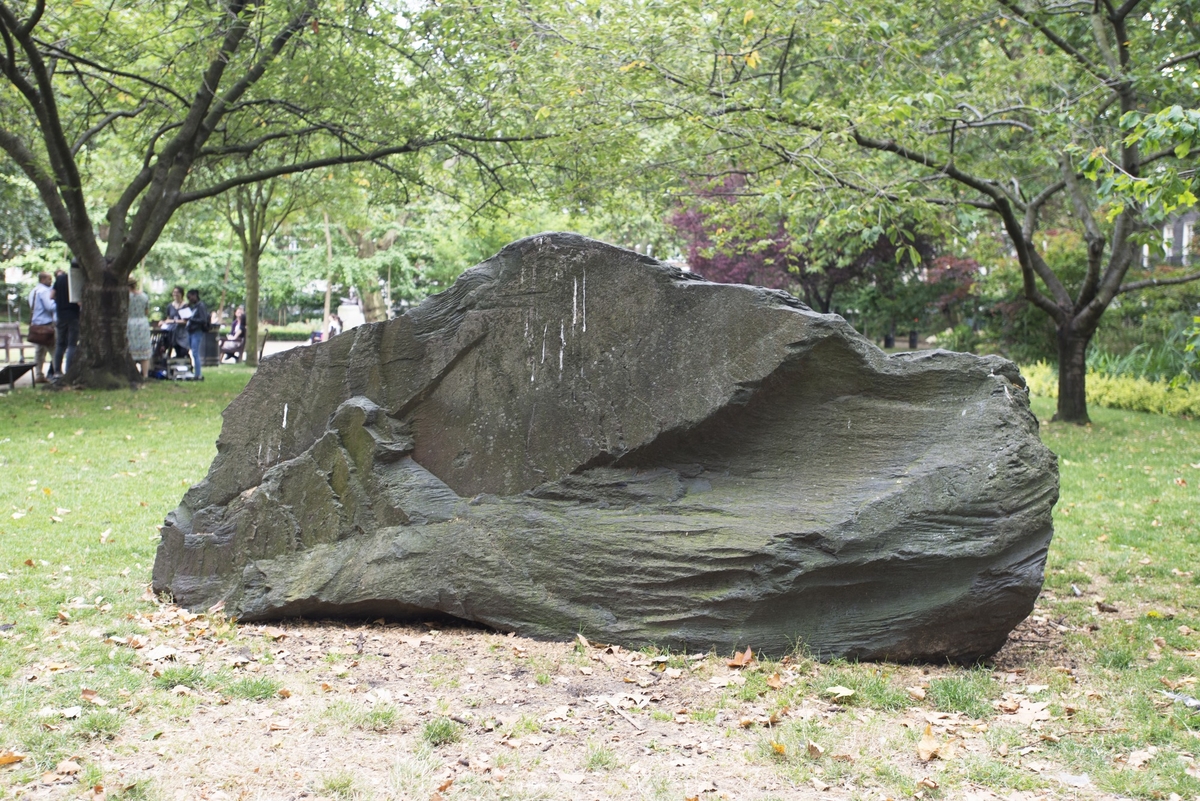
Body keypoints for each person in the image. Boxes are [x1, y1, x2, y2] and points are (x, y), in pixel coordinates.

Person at [26, 271, 55, 384]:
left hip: (36, 324)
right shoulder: (44, 291)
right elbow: (50, 306)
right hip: (46, 324)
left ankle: (39, 373)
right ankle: (57, 372)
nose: (51, 281)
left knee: (39, 351)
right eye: (49, 279)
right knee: (54, 349)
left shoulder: (34, 291)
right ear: (43, 279)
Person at [52, 264, 80, 378]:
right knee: (72, 344)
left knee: (60, 344)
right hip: (73, 314)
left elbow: (51, 295)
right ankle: (69, 370)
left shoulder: (60, 279)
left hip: (61, 314)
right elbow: (79, 301)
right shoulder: (77, 280)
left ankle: (57, 371)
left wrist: (60, 301)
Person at [127, 277, 153, 379]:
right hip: (143, 323)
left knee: (131, 349)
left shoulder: (126, 297)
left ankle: (132, 374)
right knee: (144, 350)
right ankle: (145, 375)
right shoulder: (144, 296)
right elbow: (146, 312)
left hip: (130, 323)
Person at [185, 289, 208, 380]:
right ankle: (194, 372)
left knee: (195, 352)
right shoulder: (194, 307)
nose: (189, 299)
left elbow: (203, 320)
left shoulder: (201, 306)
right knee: (192, 352)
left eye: (190, 297)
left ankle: (198, 374)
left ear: (195, 295)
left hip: (197, 331)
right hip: (191, 331)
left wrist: (191, 319)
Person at [163, 286, 190, 359]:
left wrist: (173, 321)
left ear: (181, 294)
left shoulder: (185, 306)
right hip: (173, 333)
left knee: (183, 352)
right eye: (174, 292)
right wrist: (164, 322)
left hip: (183, 333)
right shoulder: (170, 306)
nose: (175, 294)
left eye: (177, 292)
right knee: (177, 352)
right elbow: (168, 319)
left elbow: (185, 321)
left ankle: (188, 366)